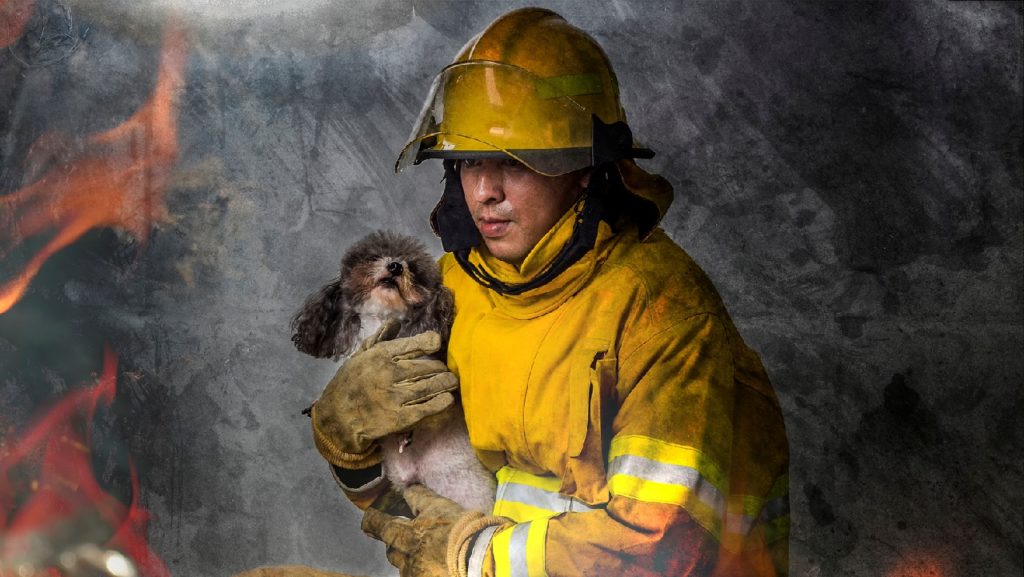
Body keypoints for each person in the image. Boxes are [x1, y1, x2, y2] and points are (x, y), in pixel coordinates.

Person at [310, 8, 789, 577]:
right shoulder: (454, 289)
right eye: (466, 161)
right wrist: (346, 443)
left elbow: (660, 550)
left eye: (514, 162)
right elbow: (415, 514)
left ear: (584, 167)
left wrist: (470, 558)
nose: (484, 192)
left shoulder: (664, 316)